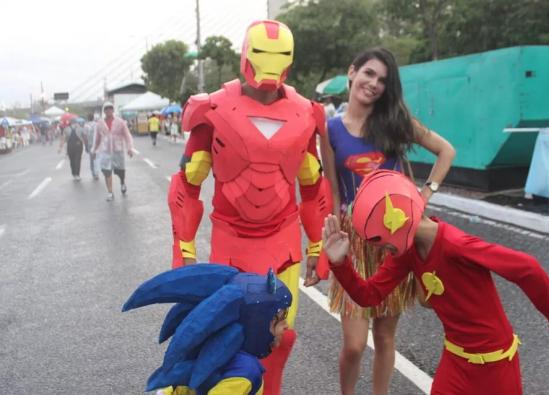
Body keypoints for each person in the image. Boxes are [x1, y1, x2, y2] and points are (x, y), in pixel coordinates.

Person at [167, 19, 332, 395]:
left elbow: (312, 186)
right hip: (232, 242)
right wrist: (183, 248)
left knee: (280, 338)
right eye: (263, 55)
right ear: (246, 55)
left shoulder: (305, 113)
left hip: (283, 240)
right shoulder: (213, 108)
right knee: (224, 336)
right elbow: (187, 184)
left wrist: (317, 245)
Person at [323, 170, 549, 395]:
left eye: (379, 241)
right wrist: (340, 263)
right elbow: (370, 295)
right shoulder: (407, 252)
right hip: (455, 362)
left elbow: (526, 268)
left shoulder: (457, 245)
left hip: (496, 367)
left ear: (395, 222)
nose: (380, 249)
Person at [319, 47, 455, 395]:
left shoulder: (394, 121)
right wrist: (326, 246)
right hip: (353, 242)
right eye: (368, 74)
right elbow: (333, 190)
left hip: (394, 239)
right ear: (352, 72)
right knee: (353, 344)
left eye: (382, 79)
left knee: (383, 336)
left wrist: (424, 196)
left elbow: (446, 151)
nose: (374, 84)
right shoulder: (330, 130)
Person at [123, 264, 292, 395]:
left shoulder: (202, 346)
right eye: (278, 319)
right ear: (257, 323)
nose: (287, 326)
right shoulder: (246, 371)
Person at [92, 102, 134, 201]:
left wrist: (129, 148)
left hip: (118, 150)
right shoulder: (99, 123)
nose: (108, 110)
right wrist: (94, 150)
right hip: (105, 151)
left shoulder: (120, 122)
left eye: (110, 108)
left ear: (113, 110)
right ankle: (110, 192)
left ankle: (122, 182)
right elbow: (97, 138)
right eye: (106, 109)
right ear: (104, 111)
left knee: (120, 171)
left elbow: (127, 136)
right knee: (106, 171)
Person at [83, 113, 99, 180]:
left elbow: (85, 136)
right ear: (93, 118)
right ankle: (97, 172)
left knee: (92, 159)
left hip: (90, 144)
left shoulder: (86, 126)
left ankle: (93, 173)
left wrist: (85, 146)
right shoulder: (96, 124)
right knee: (97, 158)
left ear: (87, 118)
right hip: (97, 144)